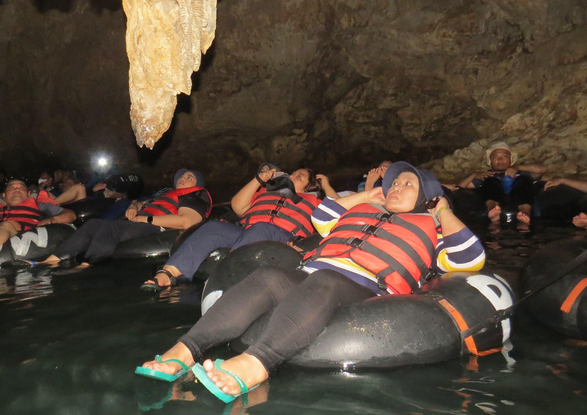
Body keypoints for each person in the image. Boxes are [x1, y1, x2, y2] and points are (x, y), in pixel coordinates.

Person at [136, 162, 485, 400]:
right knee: (269, 276)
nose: (395, 187)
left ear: (428, 195)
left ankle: (257, 364)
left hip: (366, 286)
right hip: (312, 271)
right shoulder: (361, 208)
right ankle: (184, 351)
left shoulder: (434, 226)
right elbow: (322, 218)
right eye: (393, 182)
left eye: (407, 184)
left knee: (327, 281)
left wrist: (442, 210)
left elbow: (471, 259)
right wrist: (366, 195)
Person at [140, 164, 325, 291]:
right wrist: (259, 179)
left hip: (283, 236)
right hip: (248, 231)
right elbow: (237, 207)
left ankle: (227, 279)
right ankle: (169, 273)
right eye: (291, 173)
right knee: (214, 227)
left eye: (298, 176)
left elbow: (337, 213)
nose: (291, 176)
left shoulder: (315, 201)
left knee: (260, 228)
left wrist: (326, 184)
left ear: (309, 186)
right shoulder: (265, 191)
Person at [41, 169, 211, 265]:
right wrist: (133, 206)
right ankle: (50, 260)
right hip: (138, 223)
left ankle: (86, 265)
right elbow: (142, 204)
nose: (183, 178)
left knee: (110, 227)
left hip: (158, 228)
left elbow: (187, 221)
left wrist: (147, 219)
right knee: (93, 224)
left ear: (197, 184)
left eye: (190, 177)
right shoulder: (165, 194)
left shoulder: (196, 195)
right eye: (181, 176)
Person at [458, 142, 547, 225]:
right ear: (490, 162)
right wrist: (473, 175)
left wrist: (517, 167)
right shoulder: (486, 175)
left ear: (511, 160)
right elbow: (459, 187)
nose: (500, 159)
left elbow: (542, 169)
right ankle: (492, 210)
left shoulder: (521, 172)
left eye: (505, 156)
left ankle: (525, 212)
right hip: (494, 192)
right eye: (495, 156)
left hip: (519, 192)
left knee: (524, 179)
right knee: (490, 180)